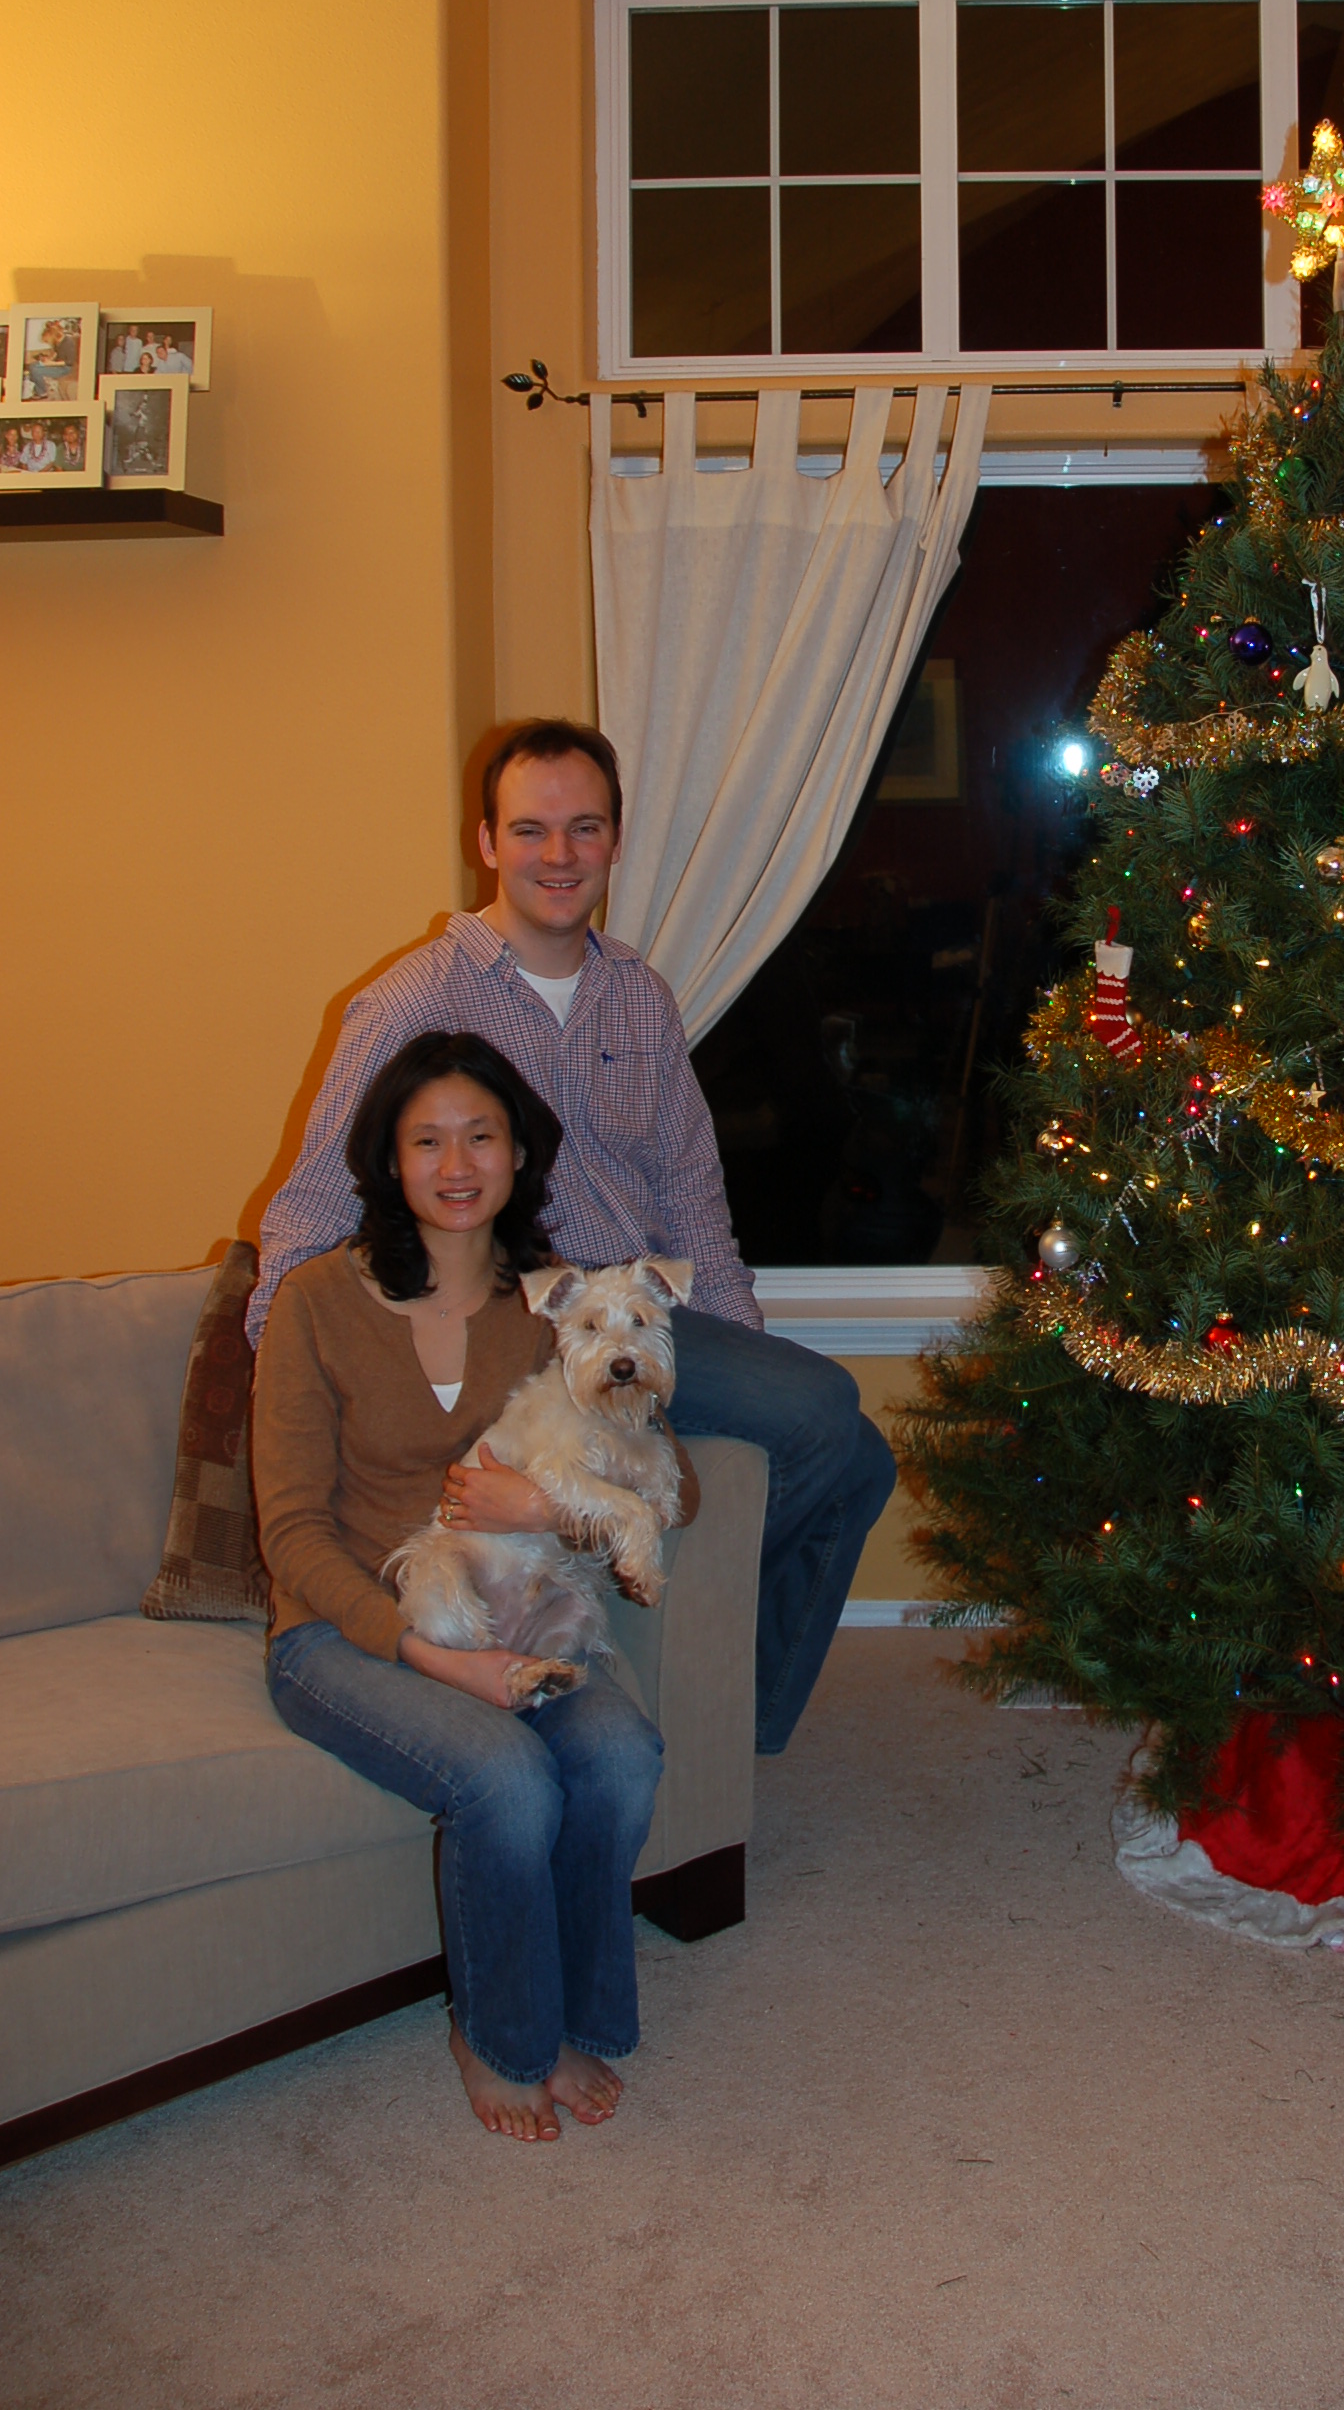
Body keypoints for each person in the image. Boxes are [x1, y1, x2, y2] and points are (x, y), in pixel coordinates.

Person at [252, 717, 895, 1755]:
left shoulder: (639, 995)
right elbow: (316, 1201)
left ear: (614, 840)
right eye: (530, 829)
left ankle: (735, 1719)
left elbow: (692, 1196)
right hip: (525, 1314)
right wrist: (282, 1363)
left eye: (583, 828)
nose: (558, 854)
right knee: (825, 1406)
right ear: (487, 841)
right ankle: (630, 1596)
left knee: (853, 1456)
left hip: (637, 1305)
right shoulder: (414, 999)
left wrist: (746, 1352)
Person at [257, 1029, 668, 2143]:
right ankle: (497, 2037)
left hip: (517, 1605)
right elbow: (290, 1531)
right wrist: (435, 1657)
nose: (455, 1163)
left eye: (480, 1136)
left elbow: (661, 1475)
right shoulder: (314, 1300)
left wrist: (546, 1510)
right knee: (508, 1780)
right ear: (388, 1161)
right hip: (347, 1630)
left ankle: (576, 2013)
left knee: (621, 1756)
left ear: (519, 1153)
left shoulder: (554, 1305)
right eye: (426, 1139)